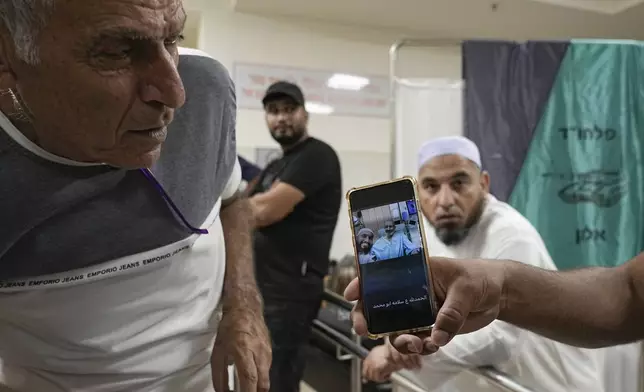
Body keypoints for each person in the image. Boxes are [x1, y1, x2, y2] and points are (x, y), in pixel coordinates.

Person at [0, 1, 270, 391]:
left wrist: (244, 306)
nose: (175, 94)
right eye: (115, 53)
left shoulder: (205, 87)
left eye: (172, 38)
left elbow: (232, 200)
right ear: (7, 57)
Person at [361, 136, 603, 391]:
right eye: (431, 187)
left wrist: (406, 352)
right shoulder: (429, 230)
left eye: (459, 183)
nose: (445, 201)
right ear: (418, 193)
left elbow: (500, 337)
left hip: (549, 384)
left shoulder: (511, 234)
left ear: (483, 184)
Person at [247, 81, 342, 392]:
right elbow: (245, 203)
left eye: (289, 109)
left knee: (277, 381)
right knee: (256, 375)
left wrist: (234, 212)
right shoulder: (277, 164)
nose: (281, 118)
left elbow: (263, 211)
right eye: (273, 111)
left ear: (305, 114)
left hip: (289, 295)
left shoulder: (317, 156)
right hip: (263, 289)